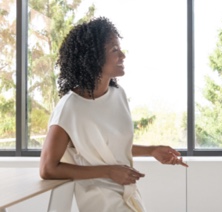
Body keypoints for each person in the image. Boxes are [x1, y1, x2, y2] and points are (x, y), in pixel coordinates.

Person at [39, 17, 187, 212]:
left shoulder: (118, 95)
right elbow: (47, 168)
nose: (123, 56)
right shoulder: (70, 107)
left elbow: (108, 145)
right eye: (114, 50)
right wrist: (109, 172)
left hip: (129, 194)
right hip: (101, 200)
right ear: (93, 57)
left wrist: (151, 150)